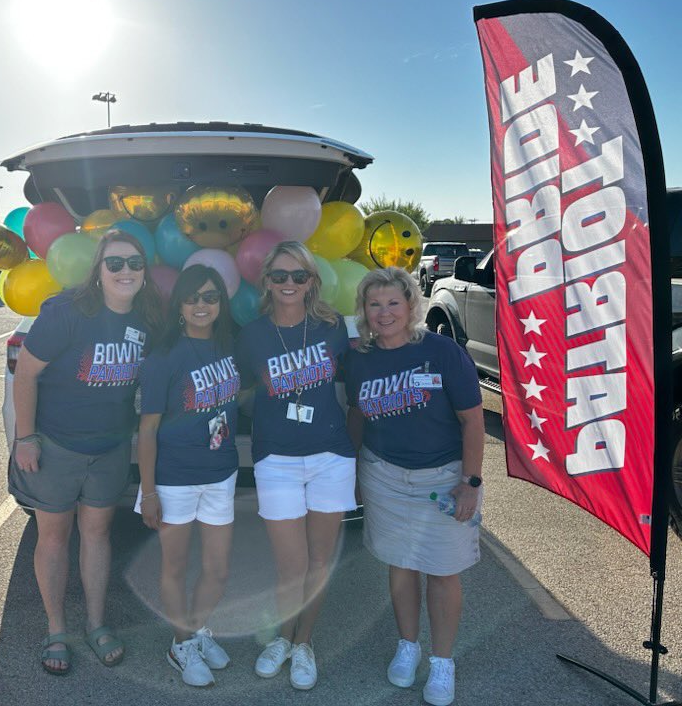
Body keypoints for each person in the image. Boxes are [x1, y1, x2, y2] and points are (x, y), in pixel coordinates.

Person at [10, 229, 163, 676]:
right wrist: (25, 438)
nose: (125, 271)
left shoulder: (147, 320)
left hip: (109, 448)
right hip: (54, 446)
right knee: (53, 537)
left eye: (134, 263)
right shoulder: (68, 312)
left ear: (144, 272)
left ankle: (96, 624)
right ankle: (57, 630)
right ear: (98, 270)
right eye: (114, 263)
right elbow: (26, 375)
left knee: (97, 535)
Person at [344, 266, 483, 706]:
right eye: (374, 304)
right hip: (382, 473)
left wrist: (470, 482)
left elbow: (473, 419)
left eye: (393, 303)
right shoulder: (360, 357)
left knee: (442, 570)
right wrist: (353, 472)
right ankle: (408, 645)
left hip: (443, 476)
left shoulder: (441, 352)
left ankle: (442, 663)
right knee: (400, 564)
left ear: (410, 305)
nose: (384, 313)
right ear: (364, 311)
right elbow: (356, 414)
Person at [235, 240, 357, 691]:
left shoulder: (334, 328)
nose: (289, 283)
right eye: (280, 275)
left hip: (330, 456)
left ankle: (302, 643)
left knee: (319, 560)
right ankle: (282, 639)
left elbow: (377, 358)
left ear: (312, 282)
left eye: (298, 275)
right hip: (276, 458)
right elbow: (239, 391)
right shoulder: (251, 335)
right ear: (266, 281)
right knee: (291, 564)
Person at [135, 265, 240, 687]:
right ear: (179, 304)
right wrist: (149, 493)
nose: (202, 305)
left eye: (211, 297)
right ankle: (181, 644)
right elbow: (148, 429)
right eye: (193, 297)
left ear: (221, 303)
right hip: (174, 478)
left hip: (221, 473)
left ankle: (196, 631)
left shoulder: (228, 347)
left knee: (217, 569)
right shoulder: (164, 357)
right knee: (175, 567)